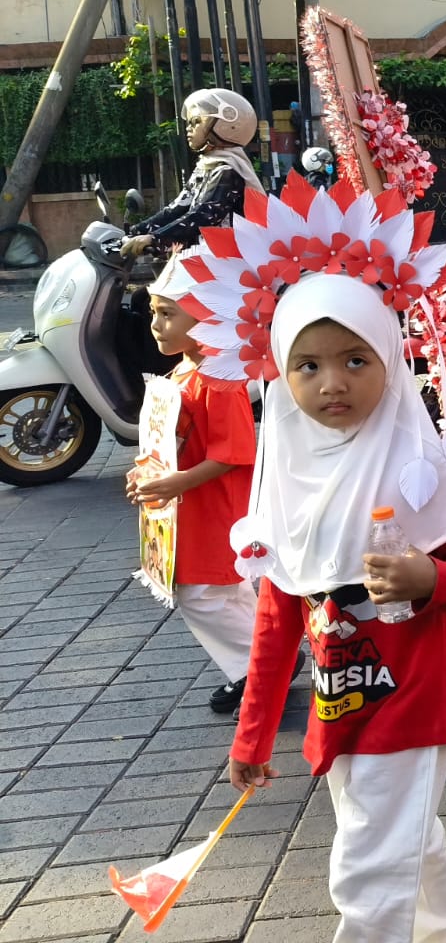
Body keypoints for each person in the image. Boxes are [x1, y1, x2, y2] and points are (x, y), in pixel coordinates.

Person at [194, 185, 446, 941]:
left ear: (389, 357)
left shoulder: (412, 458)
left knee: (366, 865)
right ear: (281, 379)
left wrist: (432, 579)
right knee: (405, 846)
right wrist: (253, 734)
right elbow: (276, 613)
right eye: (310, 365)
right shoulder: (285, 476)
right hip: (339, 687)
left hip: (414, 683)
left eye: (356, 359)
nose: (333, 383)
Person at [125, 252, 262, 713]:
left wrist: (177, 481)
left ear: (204, 317)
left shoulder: (219, 379)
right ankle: (262, 665)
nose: (156, 325)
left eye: (167, 314)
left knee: (207, 596)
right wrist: (147, 473)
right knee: (225, 594)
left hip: (214, 508)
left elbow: (234, 452)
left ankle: (257, 676)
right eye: (154, 314)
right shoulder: (186, 370)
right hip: (191, 506)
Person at [122, 88, 265, 257]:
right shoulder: (206, 167)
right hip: (205, 257)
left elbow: (205, 215)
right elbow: (177, 208)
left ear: (225, 126)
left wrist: (155, 238)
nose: (188, 129)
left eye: (196, 122)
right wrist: (135, 231)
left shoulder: (228, 171)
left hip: (232, 262)